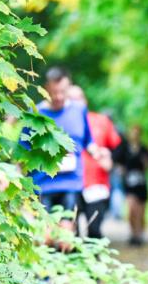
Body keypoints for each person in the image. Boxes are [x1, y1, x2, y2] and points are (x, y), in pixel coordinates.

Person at [26, 67, 103, 237]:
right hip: (43, 184)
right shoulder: (36, 114)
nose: (59, 96)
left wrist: (97, 152)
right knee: (46, 236)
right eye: (54, 92)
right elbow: (23, 148)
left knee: (66, 236)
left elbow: (88, 140)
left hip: (71, 183)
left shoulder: (79, 110)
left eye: (63, 91)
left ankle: (68, 260)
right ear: (47, 88)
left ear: (69, 88)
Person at [67, 85, 122, 239]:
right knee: (71, 233)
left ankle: (94, 260)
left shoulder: (101, 121)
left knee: (95, 231)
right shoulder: (60, 121)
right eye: (71, 99)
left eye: (78, 98)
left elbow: (118, 146)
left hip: (96, 183)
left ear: (85, 100)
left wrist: (110, 159)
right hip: (69, 183)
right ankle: (73, 262)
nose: (75, 102)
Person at [114, 124, 148, 247]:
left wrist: (147, 163)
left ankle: (140, 233)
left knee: (141, 211)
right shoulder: (124, 148)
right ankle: (133, 234)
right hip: (129, 183)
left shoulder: (144, 149)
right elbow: (115, 161)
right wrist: (120, 169)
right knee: (132, 209)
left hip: (141, 183)